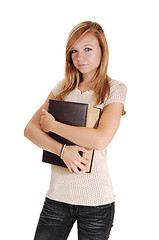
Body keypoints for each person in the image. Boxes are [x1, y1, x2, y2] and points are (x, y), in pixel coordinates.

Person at [24, 21, 127, 240]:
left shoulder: (114, 89)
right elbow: (30, 129)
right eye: (74, 51)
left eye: (88, 49)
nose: (80, 57)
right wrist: (62, 150)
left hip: (96, 203)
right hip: (57, 198)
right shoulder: (62, 88)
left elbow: (100, 140)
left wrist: (53, 126)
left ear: (102, 49)